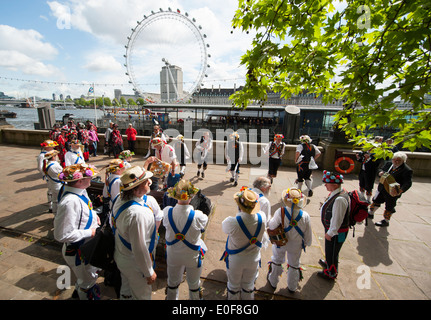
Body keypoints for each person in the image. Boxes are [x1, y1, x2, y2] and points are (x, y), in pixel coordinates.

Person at [54, 163, 101, 300]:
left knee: (86, 277)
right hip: (78, 250)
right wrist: (90, 232)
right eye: (89, 177)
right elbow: (61, 235)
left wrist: (94, 215)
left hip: (84, 245)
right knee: (87, 280)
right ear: (80, 181)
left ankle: (80, 290)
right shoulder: (69, 202)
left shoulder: (78, 190)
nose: (91, 180)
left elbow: (85, 209)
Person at [111, 166, 157, 300]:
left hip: (121, 254)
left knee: (126, 290)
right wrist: (148, 272)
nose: (150, 182)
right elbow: (139, 247)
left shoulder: (119, 199)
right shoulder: (138, 214)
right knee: (141, 295)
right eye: (146, 181)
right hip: (135, 264)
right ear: (136, 190)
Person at [163, 179, 208, 300]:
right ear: (191, 197)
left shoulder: (167, 211)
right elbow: (204, 222)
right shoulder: (198, 215)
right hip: (192, 256)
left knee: (172, 283)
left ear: (175, 196)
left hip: (173, 255)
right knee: (194, 285)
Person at [220, 188, 268, 300]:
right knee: (248, 285)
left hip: (236, 260)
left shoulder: (232, 222)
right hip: (254, 258)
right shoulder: (262, 218)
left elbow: (224, 228)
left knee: (233, 286)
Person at [267, 188, 312, 293]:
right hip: (296, 245)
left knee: (277, 260)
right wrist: (306, 243)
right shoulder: (305, 216)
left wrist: (269, 221)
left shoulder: (280, 211)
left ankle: (273, 282)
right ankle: (292, 286)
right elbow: (308, 233)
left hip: (281, 242)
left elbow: (272, 226)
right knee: (294, 264)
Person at [318, 170, 349, 280]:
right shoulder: (337, 192)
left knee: (333, 252)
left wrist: (330, 233)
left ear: (335, 185)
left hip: (336, 233)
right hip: (332, 230)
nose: (325, 185)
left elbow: (337, 219)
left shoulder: (340, 199)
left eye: (327, 183)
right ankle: (328, 263)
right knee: (329, 250)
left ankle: (331, 272)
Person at [368, 151, 413, 227]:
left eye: (398, 160)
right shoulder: (389, 164)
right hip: (382, 187)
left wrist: (400, 190)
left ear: (403, 161)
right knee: (376, 201)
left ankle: (386, 221)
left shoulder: (407, 170)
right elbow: (380, 169)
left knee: (389, 206)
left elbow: (408, 183)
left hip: (393, 191)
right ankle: (371, 213)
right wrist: (380, 173)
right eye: (394, 160)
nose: (395, 162)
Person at [42, 150, 63, 215]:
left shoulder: (48, 164)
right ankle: (59, 214)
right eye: (56, 155)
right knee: (60, 200)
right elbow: (62, 174)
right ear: (53, 157)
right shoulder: (55, 166)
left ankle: (55, 213)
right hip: (58, 185)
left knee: (54, 200)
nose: (57, 156)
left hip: (52, 184)